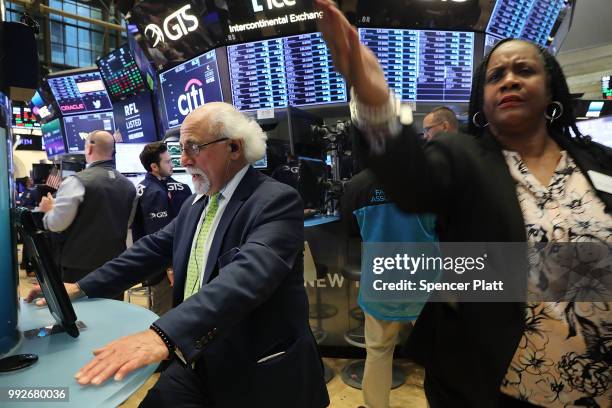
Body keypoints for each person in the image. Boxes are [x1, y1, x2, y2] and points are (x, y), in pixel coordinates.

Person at [315, 1, 611, 407]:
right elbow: (408, 178)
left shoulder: (596, 162)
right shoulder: (463, 159)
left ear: (551, 88)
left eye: (524, 70)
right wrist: (371, 91)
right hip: (490, 382)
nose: (509, 80)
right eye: (496, 75)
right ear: (482, 97)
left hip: (593, 381)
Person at [27, 102, 329, 408]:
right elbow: (151, 249)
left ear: (234, 148)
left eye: (193, 147)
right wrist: (82, 286)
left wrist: (163, 334)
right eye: (179, 149)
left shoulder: (275, 200)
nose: (183, 160)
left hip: (256, 370)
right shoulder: (197, 204)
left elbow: (247, 277)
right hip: (197, 358)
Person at [341, 169, 437, 408]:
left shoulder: (357, 185)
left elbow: (351, 230)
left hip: (380, 283)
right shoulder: (431, 177)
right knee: (437, 359)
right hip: (424, 283)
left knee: (378, 352)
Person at [39, 130, 135, 298]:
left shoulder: (76, 181)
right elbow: (125, 223)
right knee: (113, 313)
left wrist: (48, 211)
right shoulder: (129, 186)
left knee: (83, 319)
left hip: (79, 268)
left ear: (89, 149)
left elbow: (57, 224)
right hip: (116, 265)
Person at [131, 141, 192, 315]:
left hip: (150, 264)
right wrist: (171, 268)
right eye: (167, 161)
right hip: (165, 269)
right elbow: (159, 235)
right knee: (166, 313)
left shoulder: (141, 188)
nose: (172, 164)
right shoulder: (157, 192)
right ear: (154, 166)